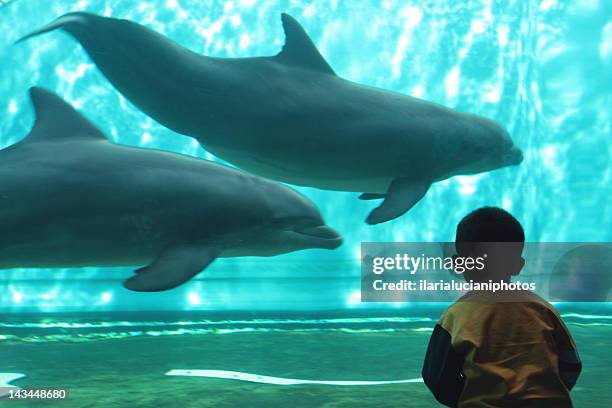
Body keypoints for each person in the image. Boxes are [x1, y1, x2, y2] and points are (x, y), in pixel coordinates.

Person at [422, 207, 582, 407]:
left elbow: (436, 377)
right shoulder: (542, 309)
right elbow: (571, 364)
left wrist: (468, 399)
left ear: (458, 264)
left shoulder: (455, 316)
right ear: (518, 265)